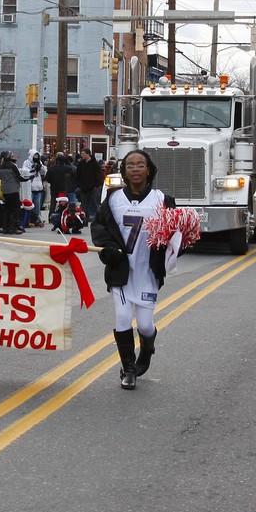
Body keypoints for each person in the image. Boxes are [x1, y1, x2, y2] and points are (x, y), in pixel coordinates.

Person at [91, 149, 175, 390]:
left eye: (141, 164)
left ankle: (147, 349)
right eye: (130, 165)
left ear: (149, 169)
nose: (136, 169)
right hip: (121, 271)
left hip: (147, 271)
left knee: (146, 325)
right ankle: (128, 369)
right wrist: (108, 248)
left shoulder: (162, 199)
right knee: (123, 317)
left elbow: (174, 234)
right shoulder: (114, 198)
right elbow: (100, 227)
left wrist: (175, 249)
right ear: (124, 171)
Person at [0, 150, 30, 234]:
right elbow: (19, 177)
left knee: (7, 209)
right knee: (15, 209)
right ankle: (13, 228)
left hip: (5, 190)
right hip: (13, 190)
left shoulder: (1, 167)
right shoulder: (13, 166)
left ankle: (5, 228)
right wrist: (29, 178)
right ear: (9, 157)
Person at [75, 147, 102, 223]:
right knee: (84, 206)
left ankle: (99, 220)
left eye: (83, 154)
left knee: (95, 204)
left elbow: (99, 175)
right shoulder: (81, 164)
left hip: (93, 188)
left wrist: (96, 185)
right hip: (83, 188)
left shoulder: (95, 164)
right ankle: (85, 220)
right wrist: (79, 185)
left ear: (88, 154)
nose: (82, 155)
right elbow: (78, 175)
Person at [21, 150, 47, 227]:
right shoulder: (26, 162)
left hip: (38, 187)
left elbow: (43, 172)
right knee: (29, 206)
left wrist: (40, 167)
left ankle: (37, 220)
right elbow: (25, 172)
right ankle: (28, 220)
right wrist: (33, 169)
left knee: (37, 206)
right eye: (35, 155)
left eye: (37, 155)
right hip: (30, 187)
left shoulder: (39, 162)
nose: (36, 157)